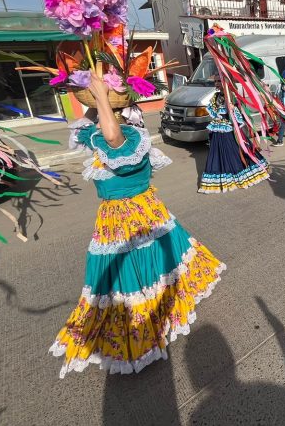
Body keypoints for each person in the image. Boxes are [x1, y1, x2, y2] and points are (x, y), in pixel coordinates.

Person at [51, 75, 225, 377]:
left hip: (135, 214)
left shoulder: (129, 139)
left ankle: (151, 317)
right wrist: (96, 97)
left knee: (138, 270)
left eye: (104, 108)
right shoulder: (102, 135)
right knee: (142, 268)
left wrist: (102, 96)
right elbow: (91, 132)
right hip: (115, 216)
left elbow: (113, 139)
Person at [199, 75, 270, 194]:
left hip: (229, 129)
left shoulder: (231, 95)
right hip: (217, 130)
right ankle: (221, 176)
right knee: (217, 153)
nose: (216, 84)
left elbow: (239, 115)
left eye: (219, 81)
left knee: (234, 152)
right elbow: (212, 110)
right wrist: (217, 115)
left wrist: (232, 108)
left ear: (225, 83)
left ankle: (240, 173)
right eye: (215, 81)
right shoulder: (216, 96)